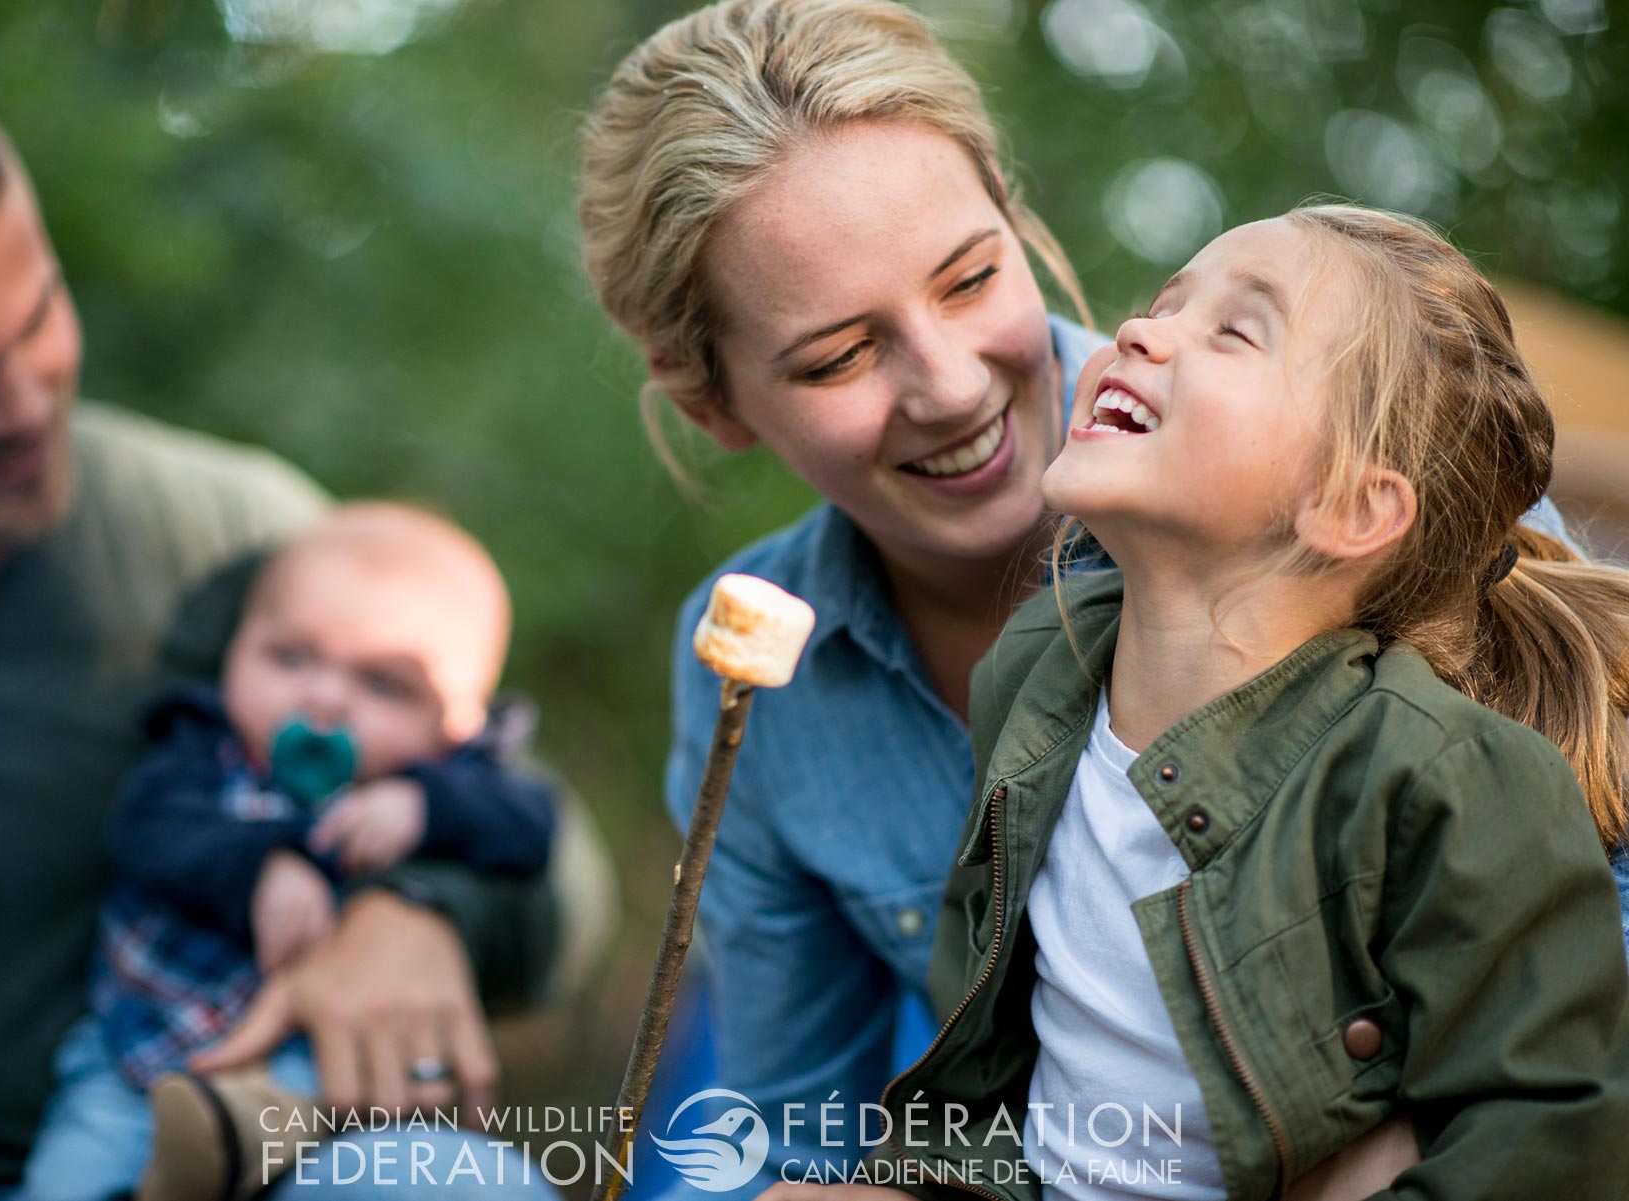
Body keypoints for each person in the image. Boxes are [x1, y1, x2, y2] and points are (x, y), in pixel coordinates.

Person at [575, 1, 1585, 1195]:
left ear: (1015, 216)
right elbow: (810, 1130)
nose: (950, 387)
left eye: (969, 278)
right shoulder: (763, 679)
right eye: (840, 355)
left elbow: (1576, 1036)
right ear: (715, 406)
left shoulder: (1368, 461)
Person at [0, 21, 590, 1198]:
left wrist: (419, 909)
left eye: (39, 314)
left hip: (248, 1139)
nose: (25, 405)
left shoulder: (233, 535)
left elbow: (560, 861)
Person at [829, 204, 1629, 1199]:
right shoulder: (1037, 668)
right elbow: (988, 1044)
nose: (1138, 331)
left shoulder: (1447, 778)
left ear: (1354, 505)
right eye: (1164, 302)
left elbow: (1550, 1138)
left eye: (1234, 330)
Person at [19, 503, 558, 1201]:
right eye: (291, 657)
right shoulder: (203, 751)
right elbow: (149, 831)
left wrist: (428, 806)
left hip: (322, 1076)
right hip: (137, 1059)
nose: (323, 700)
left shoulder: (452, 781)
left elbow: (533, 829)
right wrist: (259, 865)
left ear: (459, 720)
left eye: (383, 684)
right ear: (239, 647)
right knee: (70, 1174)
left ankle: (228, 1149)